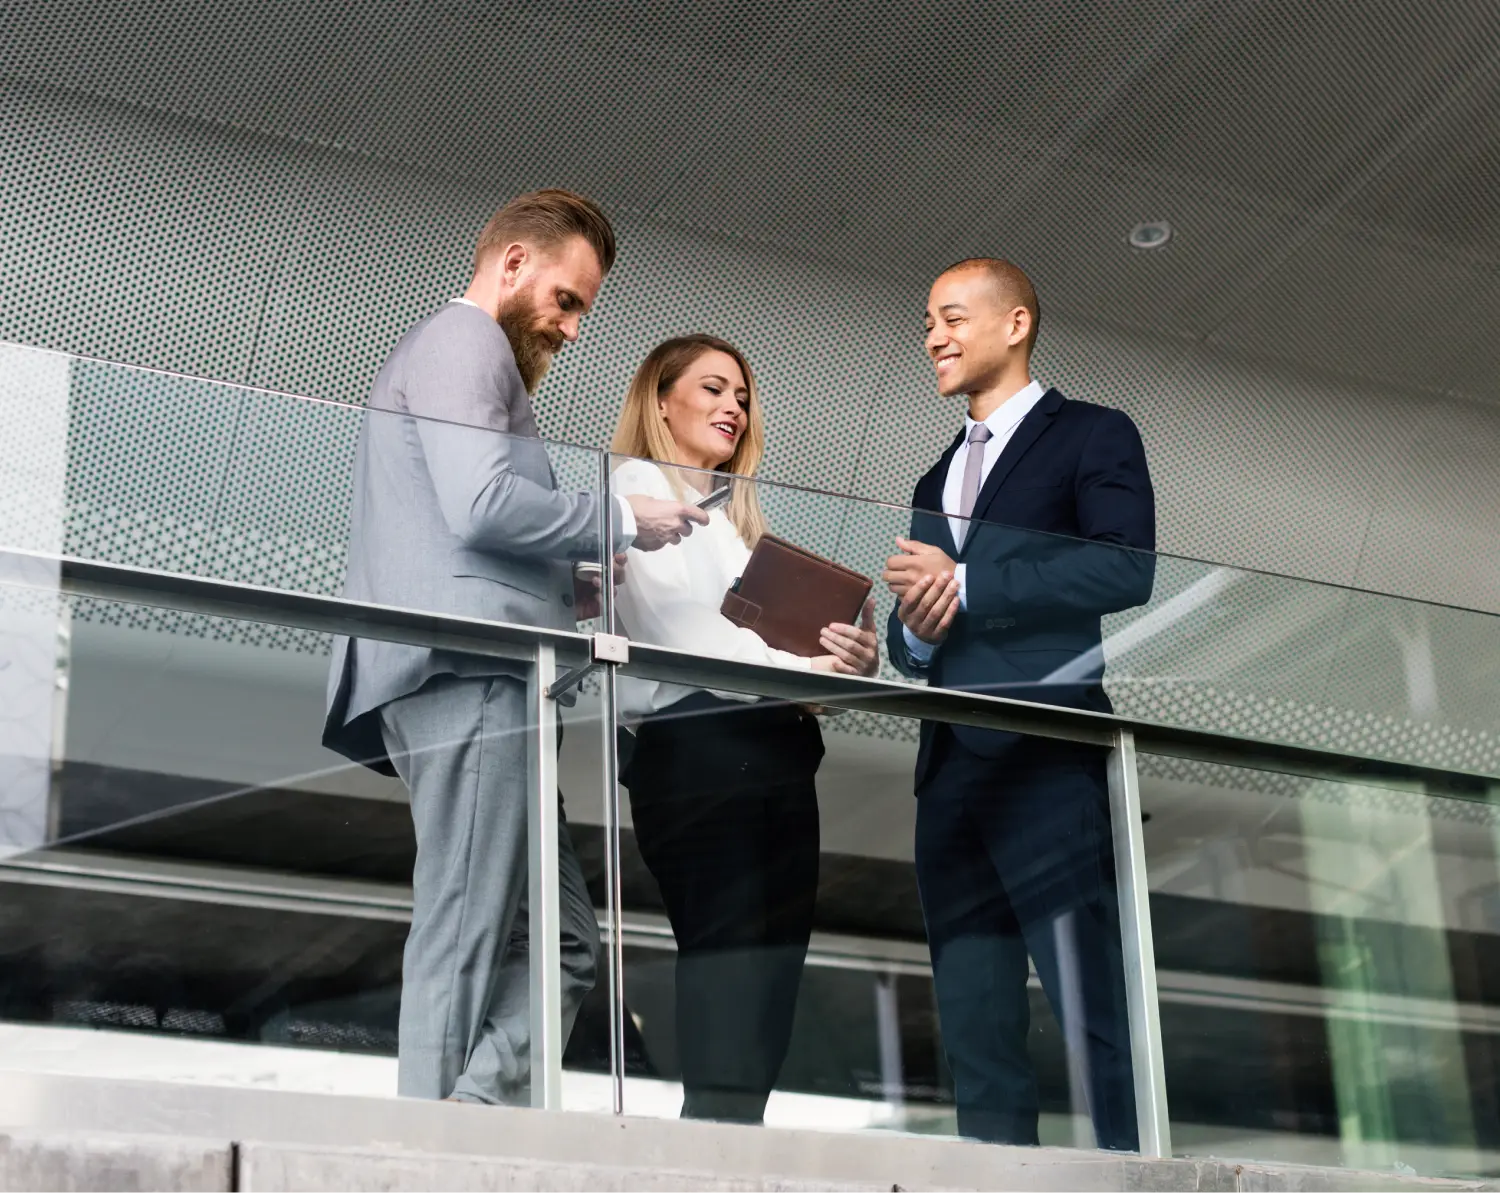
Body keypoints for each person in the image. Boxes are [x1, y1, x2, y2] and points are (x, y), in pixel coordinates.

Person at [322, 190, 708, 1105]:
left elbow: (462, 527)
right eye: (567, 300)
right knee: (466, 918)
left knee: (565, 943)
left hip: (488, 671)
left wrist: (564, 589)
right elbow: (483, 501)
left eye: (583, 309)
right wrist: (619, 519)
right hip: (469, 674)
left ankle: (473, 1111)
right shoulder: (464, 343)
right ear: (510, 265)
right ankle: (430, 1148)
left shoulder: (457, 355)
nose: (572, 328)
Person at [883, 259, 1156, 1149]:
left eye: (953, 316)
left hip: (1045, 752)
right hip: (949, 771)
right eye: (929, 320)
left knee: (1088, 995)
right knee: (974, 1015)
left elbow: (1126, 565)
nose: (934, 335)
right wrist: (917, 629)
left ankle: (1129, 1165)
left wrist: (968, 582)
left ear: (1017, 323)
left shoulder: (1091, 434)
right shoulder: (933, 481)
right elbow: (913, 636)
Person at [608, 335, 879, 1123]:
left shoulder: (736, 525)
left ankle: (735, 1134)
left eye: (744, 397)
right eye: (714, 388)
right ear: (661, 400)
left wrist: (850, 657)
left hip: (774, 750)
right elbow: (687, 633)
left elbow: (768, 648)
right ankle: (713, 1146)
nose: (735, 406)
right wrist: (807, 672)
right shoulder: (634, 492)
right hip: (699, 747)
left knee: (771, 967)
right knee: (729, 958)